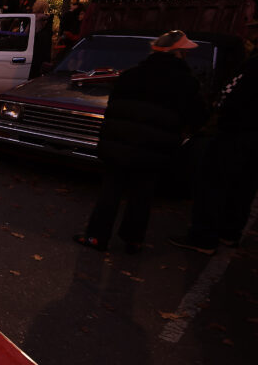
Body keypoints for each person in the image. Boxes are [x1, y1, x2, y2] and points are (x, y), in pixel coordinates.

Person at [75, 30, 207, 253]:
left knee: (111, 190)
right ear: (178, 53)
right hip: (155, 148)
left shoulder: (131, 75)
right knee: (143, 192)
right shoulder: (187, 83)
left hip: (120, 142)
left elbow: (113, 107)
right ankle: (133, 238)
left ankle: (97, 236)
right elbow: (197, 117)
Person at [169, 20, 258, 254]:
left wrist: (217, 112)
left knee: (213, 182)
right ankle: (230, 232)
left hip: (237, 132)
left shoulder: (252, 66)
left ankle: (203, 237)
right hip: (250, 135)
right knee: (243, 185)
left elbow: (229, 96)